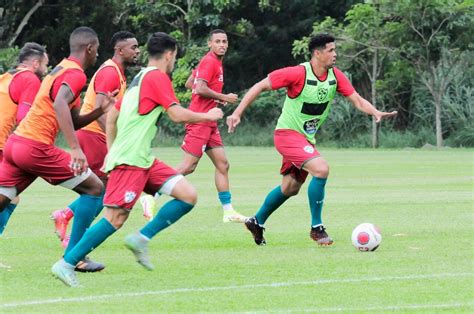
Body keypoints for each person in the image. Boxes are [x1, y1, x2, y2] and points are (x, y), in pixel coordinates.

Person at [51, 32, 223, 287]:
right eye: (175, 56)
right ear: (169, 55)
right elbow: (176, 115)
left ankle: (141, 238)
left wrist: (111, 150)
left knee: (188, 195)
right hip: (130, 159)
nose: (174, 60)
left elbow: (111, 116)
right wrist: (209, 116)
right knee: (114, 218)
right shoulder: (156, 77)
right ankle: (66, 263)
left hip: (141, 158)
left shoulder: (139, 77)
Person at [226, 33, 397, 246]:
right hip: (287, 135)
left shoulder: (336, 76)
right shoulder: (298, 73)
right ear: (317, 53)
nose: (335, 54)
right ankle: (317, 228)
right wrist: (237, 113)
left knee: (290, 188)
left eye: (335, 50)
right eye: (331, 50)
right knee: (321, 169)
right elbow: (260, 85)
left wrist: (375, 112)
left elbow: (357, 100)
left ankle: (256, 221)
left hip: (305, 140)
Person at [0, 26, 112, 271]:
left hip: (16, 144)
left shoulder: (60, 70)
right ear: (90, 49)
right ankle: (77, 256)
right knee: (94, 188)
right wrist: (75, 149)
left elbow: (72, 117)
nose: (97, 55)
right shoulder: (76, 74)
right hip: (34, 146)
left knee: (2, 199)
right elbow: (60, 103)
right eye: (97, 51)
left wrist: (99, 111)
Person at [50, 31, 140, 249]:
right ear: (120, 50)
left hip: (94, 136)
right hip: (93, 136)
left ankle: (67, 216)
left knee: (102, 188)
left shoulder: (118, 72)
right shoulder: (110, 72)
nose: (138, 51)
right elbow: (100, 111)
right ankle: (74, 236)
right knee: (99, 189)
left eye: (138, 47)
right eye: (134, 47)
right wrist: (115, 142)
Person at [175, 29, 246, 223]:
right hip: (200, 120)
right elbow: (199, 87)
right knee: (188, 167)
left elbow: (191, 83)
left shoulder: (213, 62)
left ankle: (228, 211)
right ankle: (151, 193)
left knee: (223, 164)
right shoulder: (210, 61)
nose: (222, 44)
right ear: (209, 44)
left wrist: (213, 98)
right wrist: (224, 97)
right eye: (217, 41)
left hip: (210, 121)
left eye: (224, 41)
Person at [0, 42, 49, 234]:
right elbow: (24, 117)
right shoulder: (30, 79)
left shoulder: (7, 77)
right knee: (8, 196)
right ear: (35, 63)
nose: (46, 70)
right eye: (45, 65)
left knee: (10, 197)